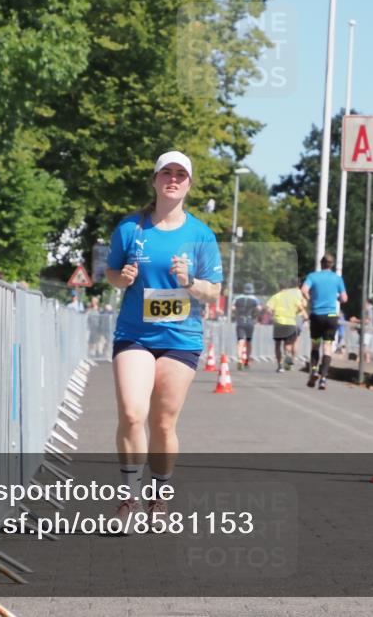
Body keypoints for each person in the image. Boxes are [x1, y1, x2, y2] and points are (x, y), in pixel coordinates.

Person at [105, 151, 223, 524]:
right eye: (166, 173)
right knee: (131, 412)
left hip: (180, 337)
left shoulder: (201, 235)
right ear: (155, 180)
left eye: (181, 174)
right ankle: (128, 499)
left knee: (163, 422)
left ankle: (159, 497)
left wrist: (189, 281)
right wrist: (121, 279)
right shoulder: (130, 228)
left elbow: (213, 292)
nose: (173, 179)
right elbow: (110, 273)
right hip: (135, 334)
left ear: (189, 184)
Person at [301, 254, 348, 390]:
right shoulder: (337, 279)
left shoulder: (313, 276)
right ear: (332, 265)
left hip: (316, 315)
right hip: (332, 316)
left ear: (321, 264)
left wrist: (310, 298)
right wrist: (337, 298)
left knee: (315, 345)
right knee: (327, 347)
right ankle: (324, 378)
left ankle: (314, 370)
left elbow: (304, 290)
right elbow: (344, 298)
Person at [265, 278, 308, 373]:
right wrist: (304, 316)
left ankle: (280, 365)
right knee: (288, 344)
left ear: (279, 287)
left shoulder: (275, 296)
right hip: (290, 323)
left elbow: (268, 309)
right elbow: (302, 307)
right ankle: (287, 356)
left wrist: (273, 314)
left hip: (278, 323)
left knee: (277, 345)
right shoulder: (292, 297)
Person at [232, 282, 262, 370]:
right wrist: (255, 316)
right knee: (248, 341)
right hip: (250, 321)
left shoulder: (237, 298)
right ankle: (247, 360)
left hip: (240, 320)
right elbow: (259, 308)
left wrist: (237, 314)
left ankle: (239, 359)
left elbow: (232, 308)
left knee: (240, 341)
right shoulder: (254, 299)